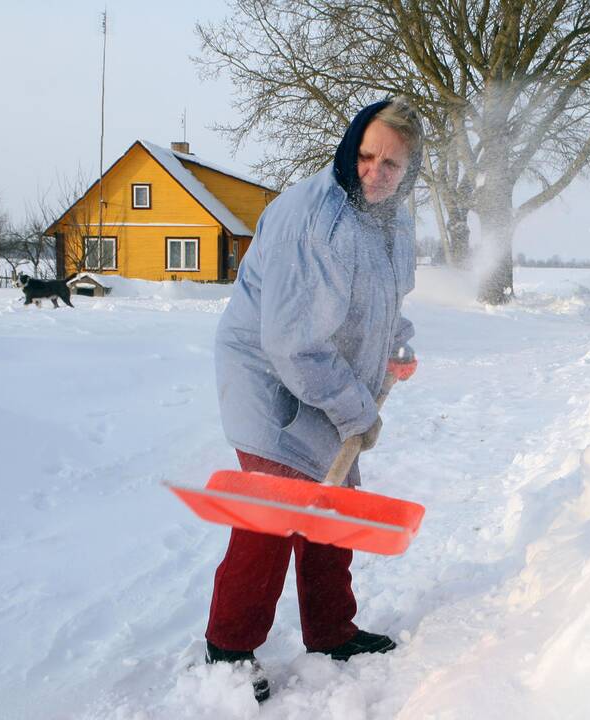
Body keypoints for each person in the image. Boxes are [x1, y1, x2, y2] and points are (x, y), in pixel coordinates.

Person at [205, 96, 423, 703]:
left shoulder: (392, 218)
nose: (375, 172)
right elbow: (292, 343)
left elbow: (383, 299)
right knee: (273, 513)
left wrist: (396, 345)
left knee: (332, 503)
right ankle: (228, 650)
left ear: (411, 171)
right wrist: (357, 409)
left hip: (330, 376)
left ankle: (332, 631)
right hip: (271, 378)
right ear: (349, 148)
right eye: (366, 156)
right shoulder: (316, 218)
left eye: (392, 164)